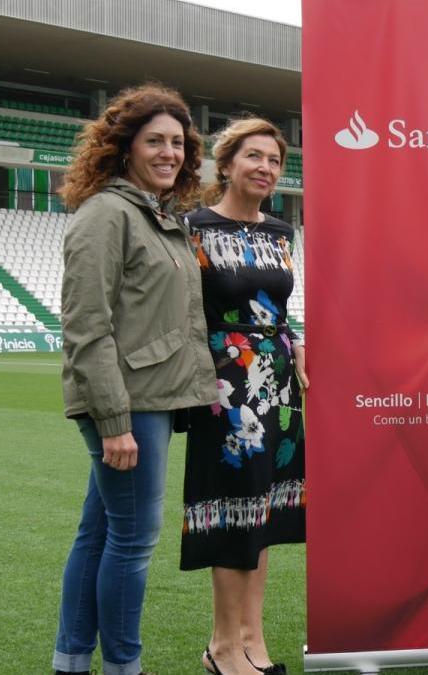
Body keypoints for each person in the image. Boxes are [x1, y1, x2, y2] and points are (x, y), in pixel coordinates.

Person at [54, 84, 217, 675]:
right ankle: (125, 665)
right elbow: (87, 327)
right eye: (155, 141)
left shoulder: (155, 215)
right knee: (132, 543)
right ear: (126, 148)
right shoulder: (106, 215)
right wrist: (115, 422)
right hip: (127, 406)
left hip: (148, 401)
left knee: (97, 536)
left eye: (177, 142)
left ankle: (72, 661)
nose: (169, 152)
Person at [181, 116, 307, 675]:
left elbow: (276, 308)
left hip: (277, 383)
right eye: (254, 156)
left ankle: (252, 641)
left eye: (275, 160)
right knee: (234, 512)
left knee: (263, 512)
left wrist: (296, 341)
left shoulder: (282, 233)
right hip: (224, 385)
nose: (265, 168)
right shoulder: (194, 228)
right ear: (226, 163)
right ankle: (222, 647)